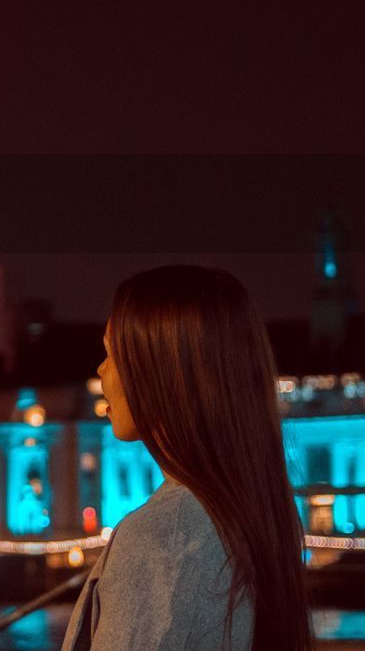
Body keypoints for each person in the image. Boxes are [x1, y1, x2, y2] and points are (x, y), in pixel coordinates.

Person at [61, 265, 312, 650]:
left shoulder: (160, 536)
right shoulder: (249, 515)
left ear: (159, 369)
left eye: (112, 353)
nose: (100, 370)